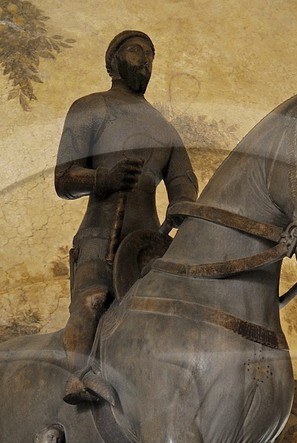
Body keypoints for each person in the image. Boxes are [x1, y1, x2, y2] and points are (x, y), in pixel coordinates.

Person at [54, 29, 198, 404]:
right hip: (101, 233)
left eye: (151, 54)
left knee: (169, 312)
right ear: (112, 60)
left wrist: (183, 204)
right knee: (93, 298)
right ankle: (80, 376)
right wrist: (105, 178)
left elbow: (183, 180)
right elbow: (64, 178)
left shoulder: (164, 129)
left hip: (148, 244)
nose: (146, 59)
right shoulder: (90, 108)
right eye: (136, 50)